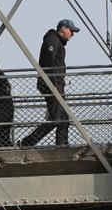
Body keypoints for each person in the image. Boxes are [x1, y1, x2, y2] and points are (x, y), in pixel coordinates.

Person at [22, 19, 78, 147]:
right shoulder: (52, 39)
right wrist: (53, 84)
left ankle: (61, 144)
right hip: (52, 84)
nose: (72, 34)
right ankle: (29, 142)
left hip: (54, 83)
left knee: (61, 117)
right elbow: (50, 62)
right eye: (71, 31)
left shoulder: (55, 40)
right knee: (58, 118)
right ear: (63, 28)